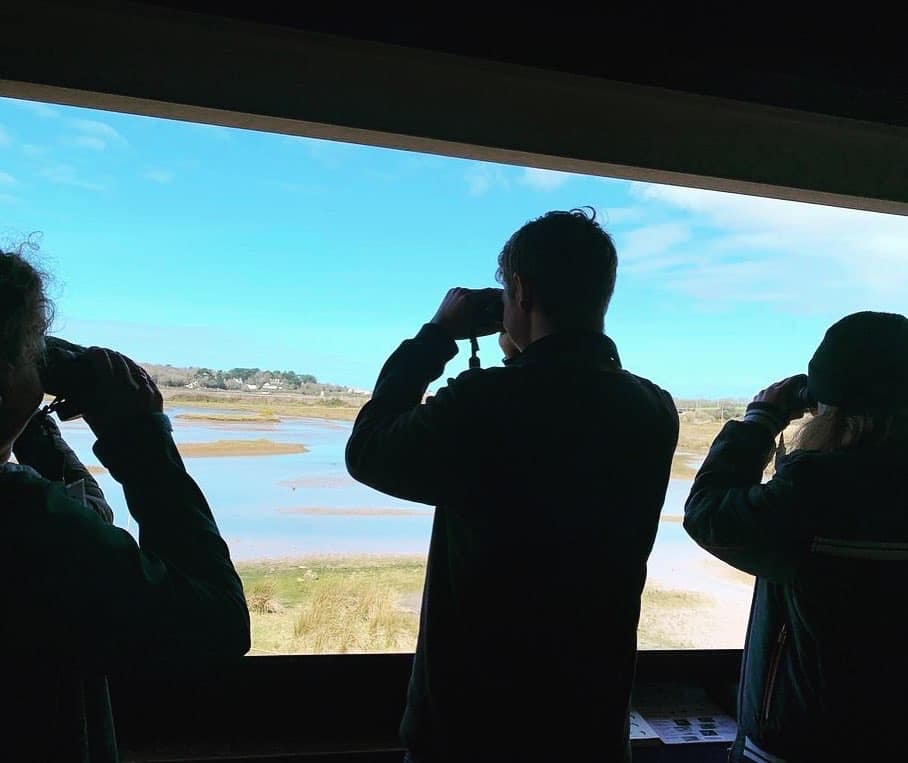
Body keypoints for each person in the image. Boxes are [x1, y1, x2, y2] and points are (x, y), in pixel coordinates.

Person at [346, 209, 679, 762]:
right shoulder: (652, 407)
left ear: (519, 290)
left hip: (473, 727)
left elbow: (369, 449)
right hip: (588, 722)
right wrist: (528, 355)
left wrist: (436, 336)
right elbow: (572, 407)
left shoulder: (486, 403)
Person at [0, 246, 250, 762]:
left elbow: (71, 506)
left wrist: (31, 423)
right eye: (32, 351)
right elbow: (218, 624)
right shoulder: (24, 521)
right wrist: (141, 440)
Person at [684, 311, 908, 762]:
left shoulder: (819, 492)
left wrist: (760, 420)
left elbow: (709, 515)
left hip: (800, 740)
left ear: (832, 409)